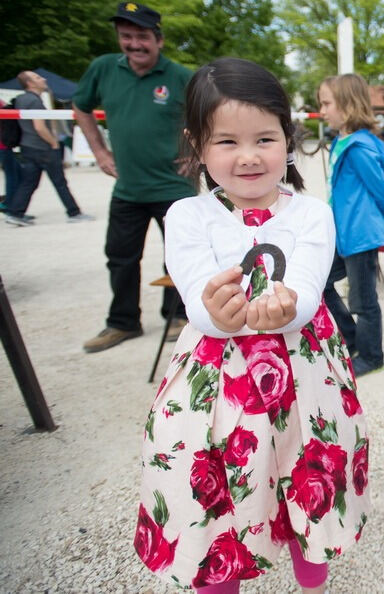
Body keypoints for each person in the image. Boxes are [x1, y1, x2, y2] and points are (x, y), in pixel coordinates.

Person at [134, 58, 370, 592]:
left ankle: (313, 579)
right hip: (217, 380)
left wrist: (291, 309)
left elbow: (308, 290)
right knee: (216, 489)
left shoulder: (311, 213)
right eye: (226, 143)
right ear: (197, 144)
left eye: (265, 138)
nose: (248, 157)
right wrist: (215, 313)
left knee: (309, 468)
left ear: (289, 139)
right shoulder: (187, 216)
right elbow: (196, 299)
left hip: (305, 373)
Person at [74, 2, 194, 352]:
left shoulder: (180, 77)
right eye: (126, 36)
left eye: (142, 36)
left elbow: (209, 114)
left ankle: (178, 315)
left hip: (174, 185)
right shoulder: (103, 69)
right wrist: (99, 150)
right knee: (120, 255)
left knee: (180, 253)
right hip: (128, 186)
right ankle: (122, 322)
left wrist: (196, 154)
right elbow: (81, 106)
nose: (134, 44)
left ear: (159, 39)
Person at [316, 74, 384, 375]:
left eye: (326, 104)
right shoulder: (342, 142)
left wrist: (381, 226)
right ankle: (348, 338)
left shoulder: (359, 149)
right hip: (342, 233)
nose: (322, 111)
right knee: (321, 283)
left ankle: (372, 356)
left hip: (360, 235)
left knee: (363, 300)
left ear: (347, 105)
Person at [3, 71, 93, 226]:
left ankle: (15, 213)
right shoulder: (34, 101)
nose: (43, 79)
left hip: (27, 147)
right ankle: (74, 212)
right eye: (37, 77)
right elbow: (39, 127)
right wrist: (53, 143)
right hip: (42, 148)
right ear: (30, 83)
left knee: (28, 182)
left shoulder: (21, 99)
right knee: (59, 182)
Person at [0, 98, 22, 214]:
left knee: (17, 174)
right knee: (13, 176)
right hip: (3, 145)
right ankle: (9, 206)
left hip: (5, 145)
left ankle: (9, 203)